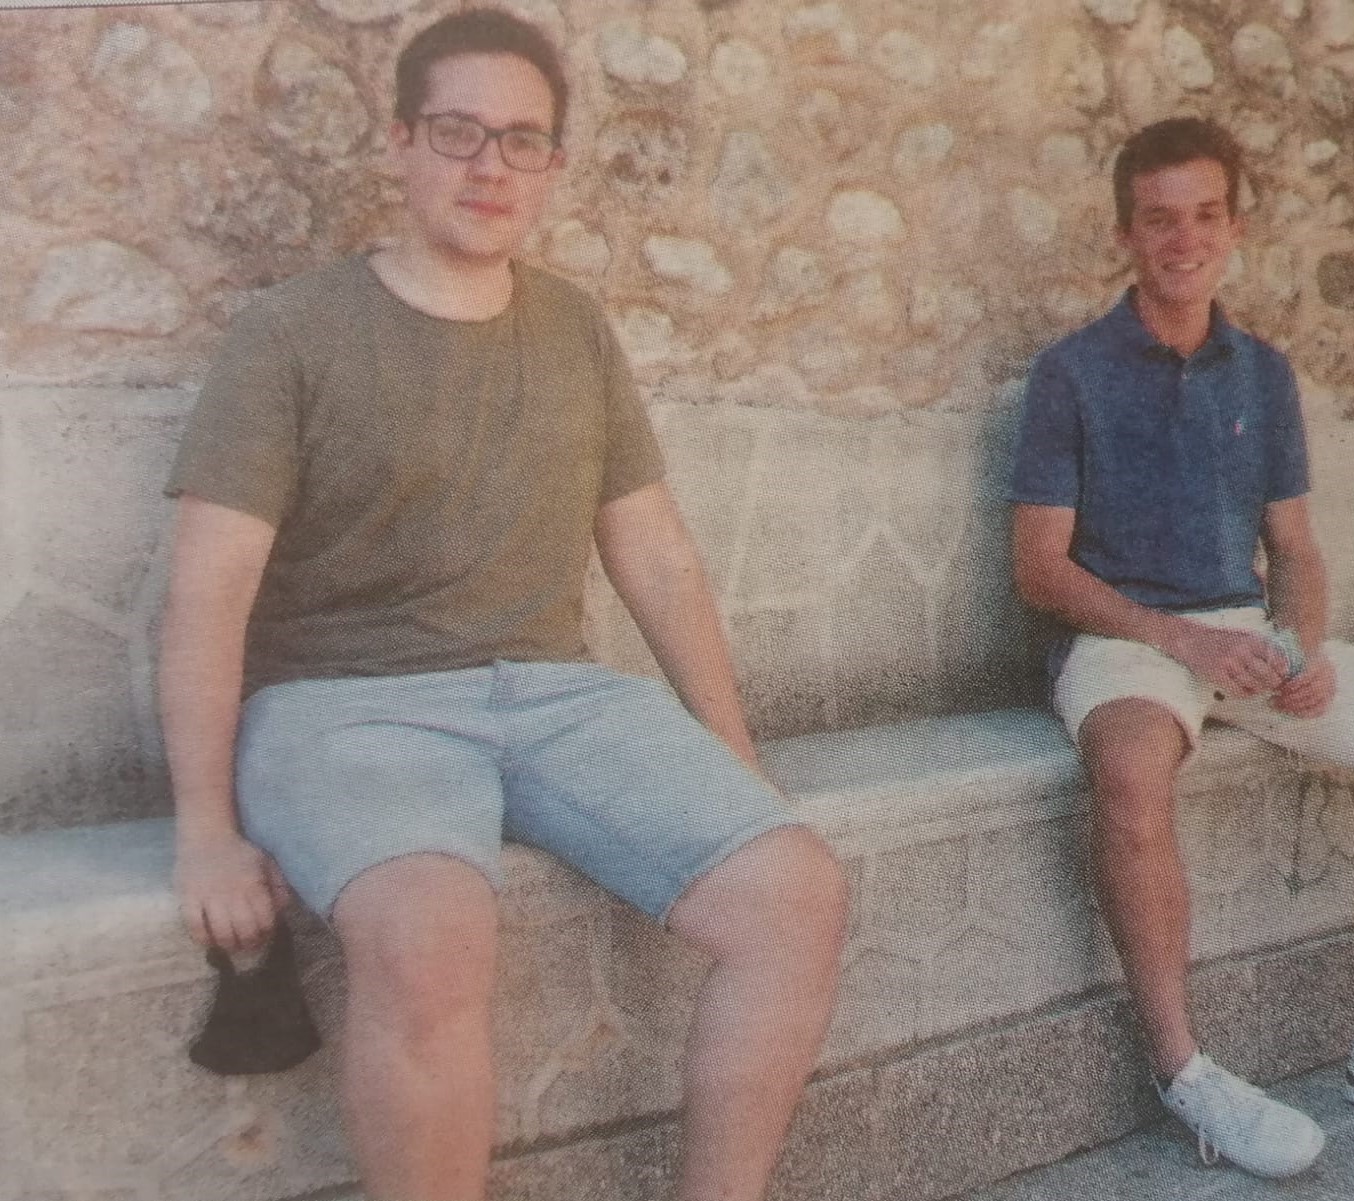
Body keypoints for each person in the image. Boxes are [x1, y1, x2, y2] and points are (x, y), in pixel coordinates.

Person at [158, 10, 846, 1201]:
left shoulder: (574, 327)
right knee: (431, 933)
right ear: (399, 142)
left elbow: (657, 555)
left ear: (553, 165)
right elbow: (207, 587)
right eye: (458, 132)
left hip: (554, 698)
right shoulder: (290, 333)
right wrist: (206, 830)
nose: (491, 166)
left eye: (522, 141)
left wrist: (731, 752)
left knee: (797, 892)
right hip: (345, 710)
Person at [1009, 116, 1354, 1179]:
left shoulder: (1262, 374)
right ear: (1125, 234)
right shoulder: (1070, 372)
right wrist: (1178, 637)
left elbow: (1296, 548)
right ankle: (1186, 1073)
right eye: (1159, 219)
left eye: (1205, 216)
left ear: (1236, 228)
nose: (1184, 239)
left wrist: (1298, 645)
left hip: (1245, 638)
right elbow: (1039, 568)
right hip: (1124, 637)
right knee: (1129, 768)